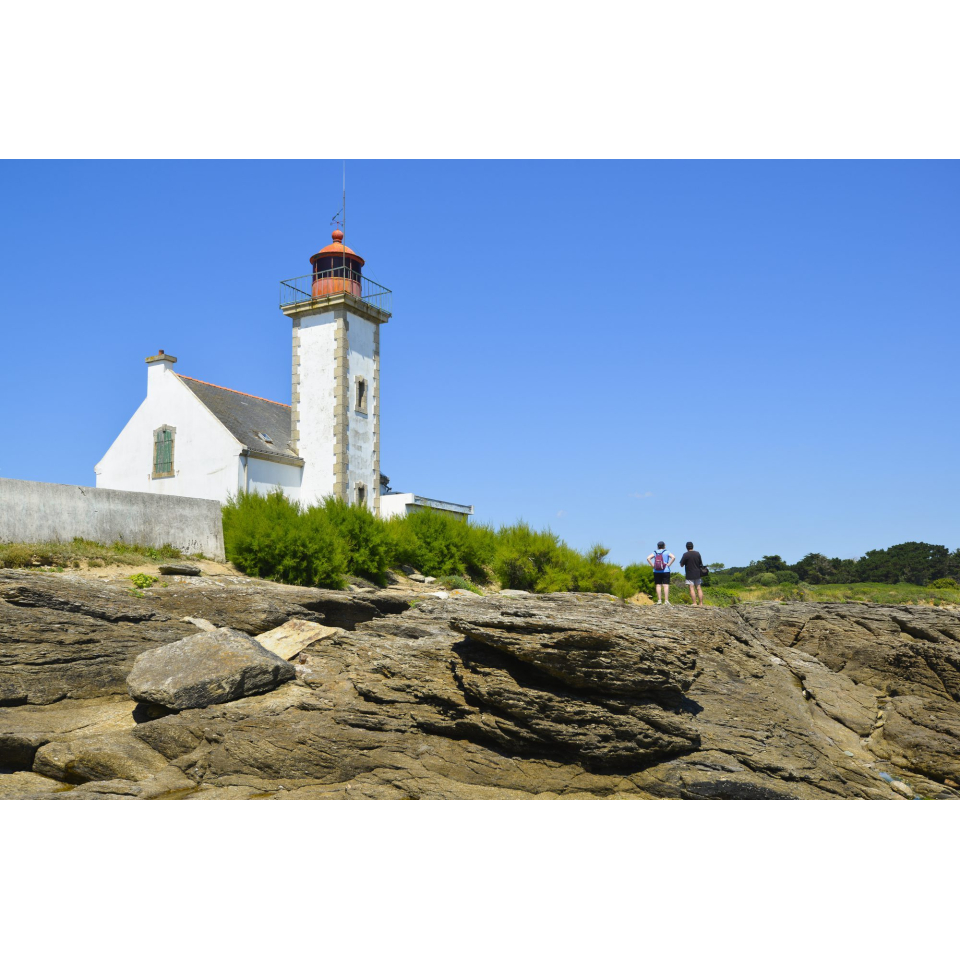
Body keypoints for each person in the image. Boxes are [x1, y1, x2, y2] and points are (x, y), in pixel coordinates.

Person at [647, 541, 675, 605]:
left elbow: (648, 558)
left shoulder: (655, 552)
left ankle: (659, 600)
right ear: (664, 546)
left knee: (658, 585)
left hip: (656, 570)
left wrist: (653, 565)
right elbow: (673, 557)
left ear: (658, 546)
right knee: (666, 585)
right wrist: (669, 564)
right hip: (666, 570)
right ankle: (666, 600)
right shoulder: (667, 552)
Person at [680, 541, 705, 606]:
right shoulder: (697, 553)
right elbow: (700, 563)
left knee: (691, 588)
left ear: (686, 547)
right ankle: (701, 603)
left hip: (689, 573)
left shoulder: (685, 554)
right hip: (697, 573)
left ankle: (694, 603)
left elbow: (681, 564)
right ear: (693, 546)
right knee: (699, 588)